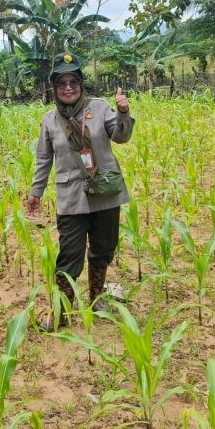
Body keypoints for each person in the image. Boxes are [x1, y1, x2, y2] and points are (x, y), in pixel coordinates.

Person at [26, 53, 134, 331]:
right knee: (69, 254)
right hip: (71, 197)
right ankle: (61, 311)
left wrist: (123, 112)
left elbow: (120, 136)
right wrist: (35, 191)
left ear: (81, 84)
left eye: (73, 81)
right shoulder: (50, 121)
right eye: (61, 83)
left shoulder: (99, 108)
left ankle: (97, 299)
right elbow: (43, 159)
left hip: (105, 193)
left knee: (102, 249)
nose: (68, 87)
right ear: (54, 89)